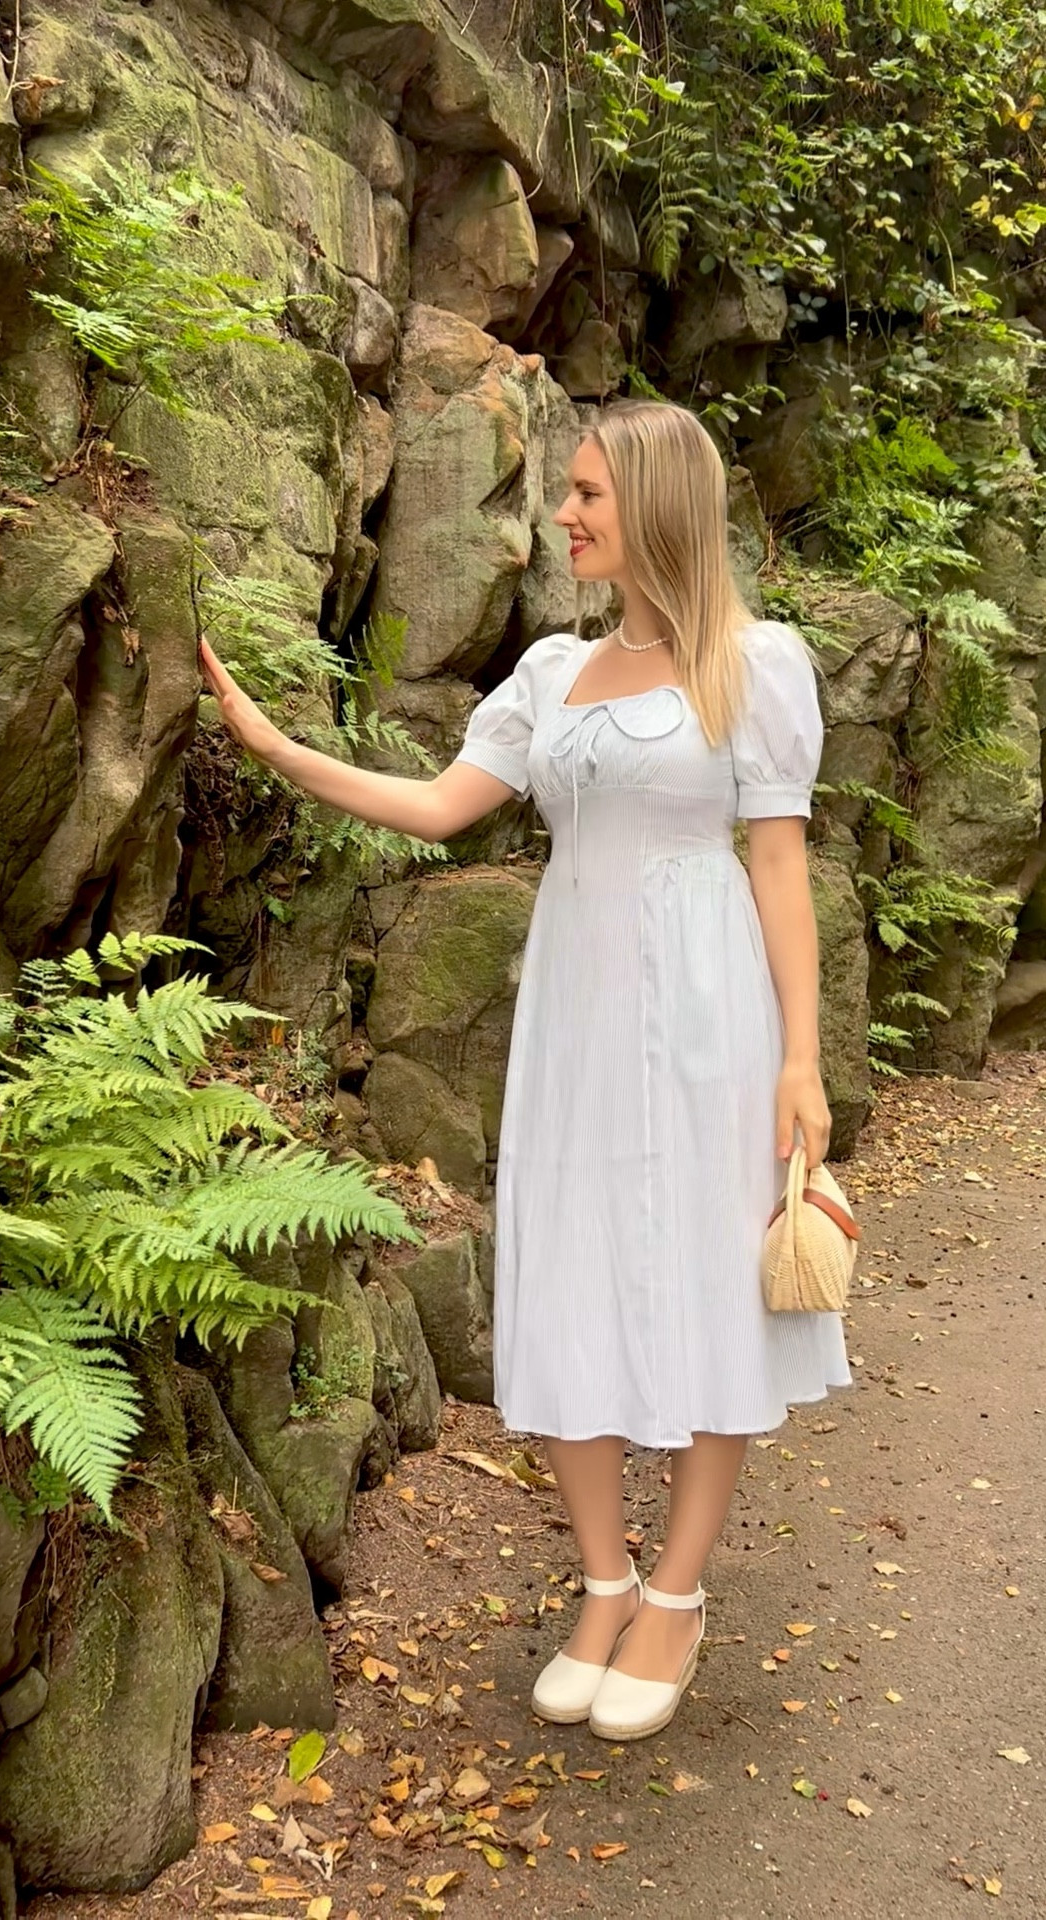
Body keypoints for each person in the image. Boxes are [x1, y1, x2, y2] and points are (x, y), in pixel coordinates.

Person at [199, 397, 853, 1745]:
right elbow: (443, 805)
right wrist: (280, 750)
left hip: (708, 1005)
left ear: (660, 506)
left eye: (589, 492)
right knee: (570, 1263)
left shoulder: (755, 662)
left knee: (701, 1274)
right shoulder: (551, 673)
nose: (564, 511)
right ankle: (604, 1579)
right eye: (567, 488)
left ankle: (677, 1593)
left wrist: (802, 1062)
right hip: (575, 1008)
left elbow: (778, 868)